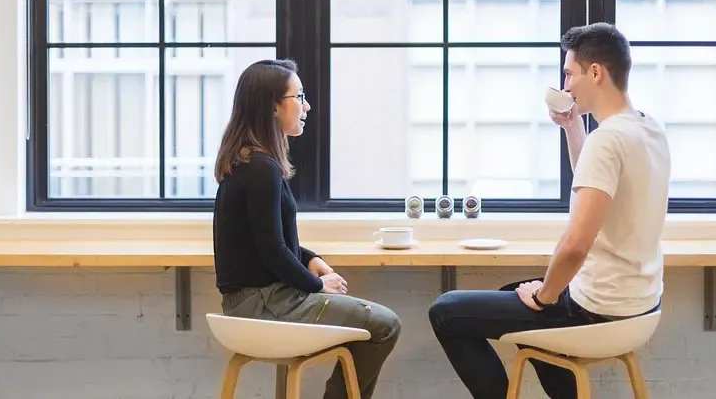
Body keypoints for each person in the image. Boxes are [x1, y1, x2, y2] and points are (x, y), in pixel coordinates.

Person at [427, 22, 671, 399]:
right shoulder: (647, 128)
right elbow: (598, 183)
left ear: (596, 72)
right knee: (515, 295)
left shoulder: (608, 139)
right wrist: (573, 128)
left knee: (447, 312)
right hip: (640, 304)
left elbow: (575, 245)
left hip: (598, 308)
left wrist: (545, 297)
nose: (566, 85)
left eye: (569, 73)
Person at [212, 58, 401, 399]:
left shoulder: (249, 160)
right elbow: (271, 250)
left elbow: (268, 241)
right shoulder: (260, 169)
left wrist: (310, 258)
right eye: (298, 96)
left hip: (253, 301)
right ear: (273, 106)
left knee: (378, 324)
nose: (306, 106)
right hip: (264, 304)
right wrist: (317, 284)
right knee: (384, 325)